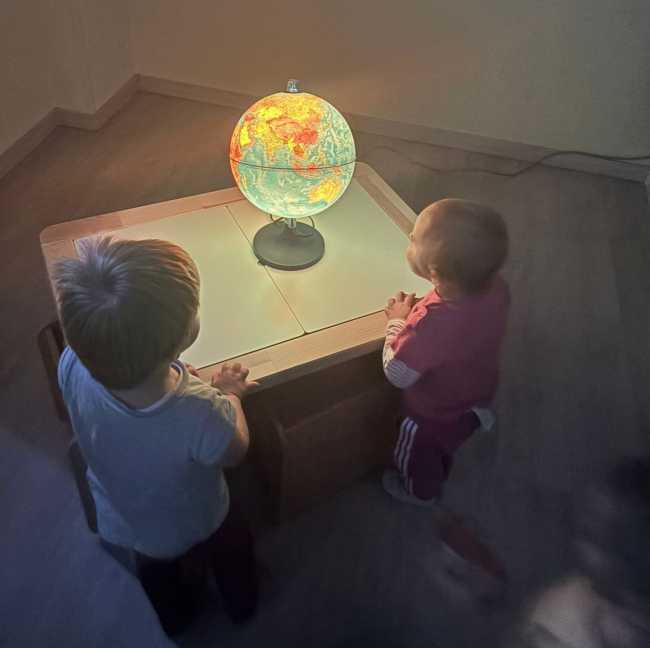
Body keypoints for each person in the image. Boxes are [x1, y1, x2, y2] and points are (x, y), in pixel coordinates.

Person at [54, 236, 258, 636]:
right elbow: (235, 450)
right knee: (232, 545)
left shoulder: (72, 360)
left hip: (126, 517)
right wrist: (230, 395)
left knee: (158, 578)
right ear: (181, 340)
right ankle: (242, 604)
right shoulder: (198, 408)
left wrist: (167, 371)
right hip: (197, 516)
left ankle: (175, 623)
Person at [381, 198, 510, 506]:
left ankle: (419, 492)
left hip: (430, 414)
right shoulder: (497, 286)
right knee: (463, 417)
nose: (410, 237)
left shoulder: (431, 324)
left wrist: (397, 322)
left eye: (414, 239)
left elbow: (397, 373)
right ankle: (474, 416)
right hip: (477, 385)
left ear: (434, 271)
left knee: (417, 454)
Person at [512, 457, 650, 647]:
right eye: (590, 537)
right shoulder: (562, 619)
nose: (583, 551)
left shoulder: (634, 611)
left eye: (625, 547)